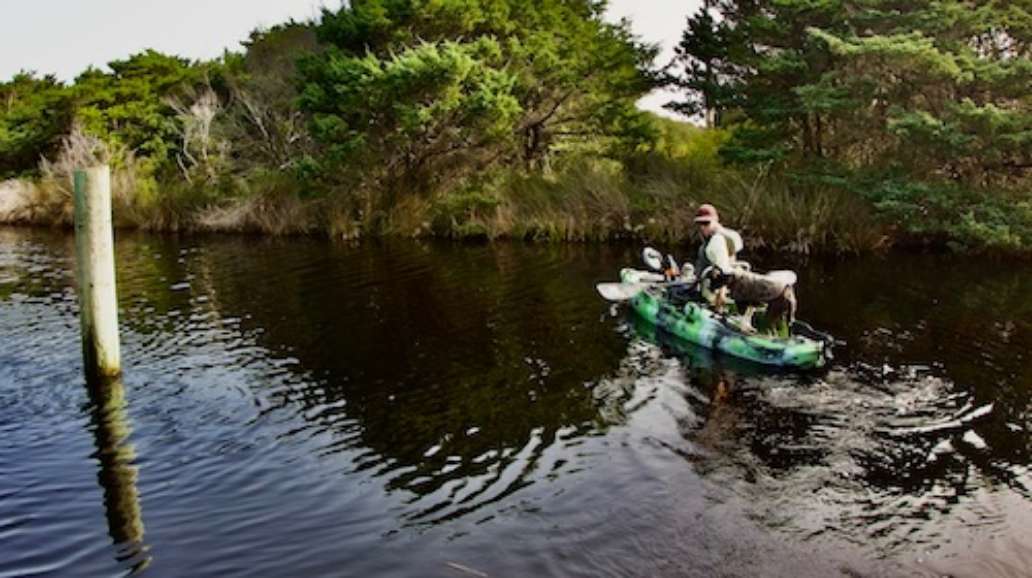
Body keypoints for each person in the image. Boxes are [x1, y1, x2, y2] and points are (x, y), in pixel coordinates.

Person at [693, 203, 741, 310]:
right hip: (711, 281)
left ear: (716, 221)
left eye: (706, 223)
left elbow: (724, 271)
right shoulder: (711, 242)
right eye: (699, 223)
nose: (702, 227)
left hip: (716, 287)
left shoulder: (717, 242)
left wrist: (720, 298)